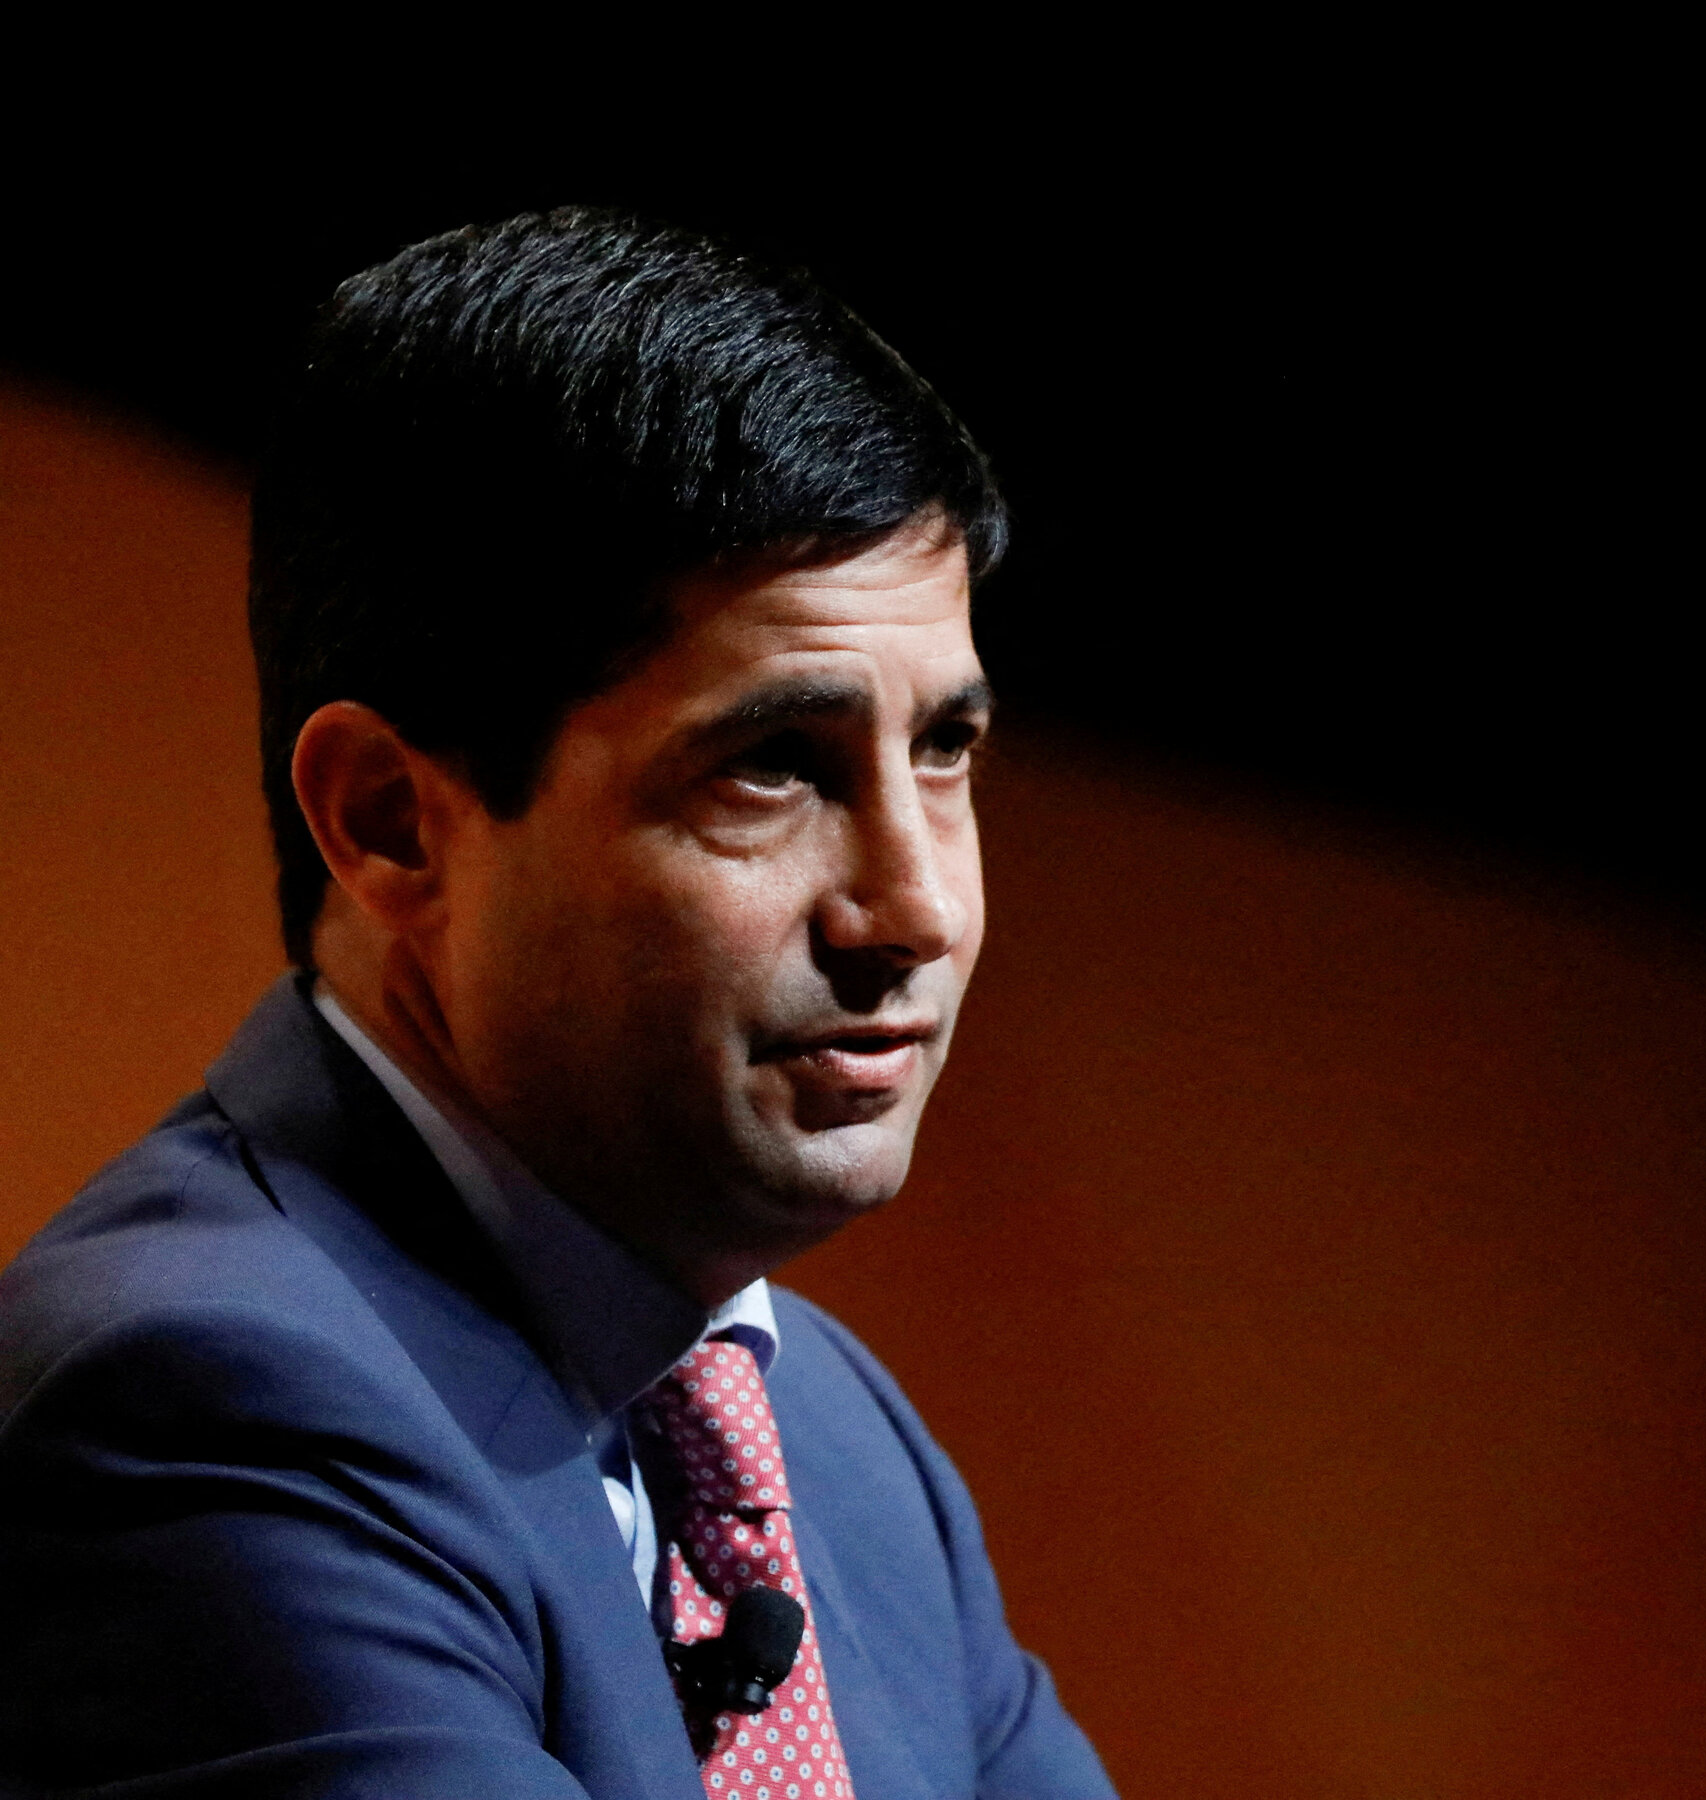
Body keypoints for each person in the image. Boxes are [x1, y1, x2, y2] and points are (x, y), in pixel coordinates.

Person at [0, 208, 1116, 1798]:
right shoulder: (204, 1402)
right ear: (394, 822)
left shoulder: (848, 1456)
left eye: (945, 751)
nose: (917, 908)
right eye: (772, 768)